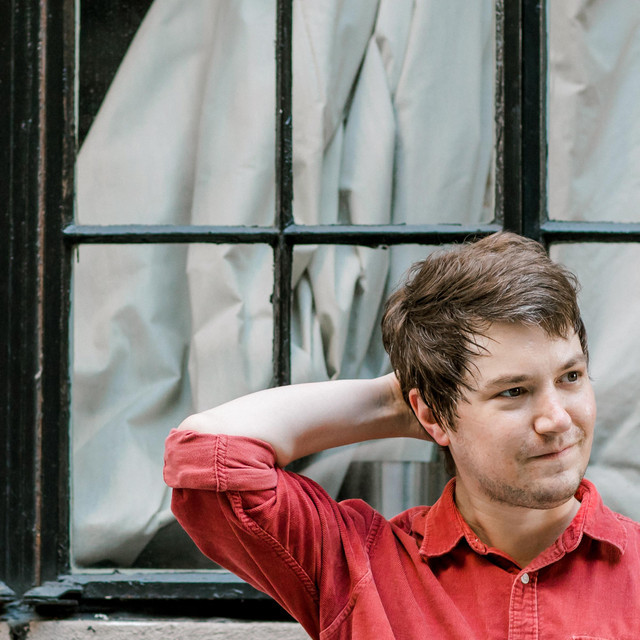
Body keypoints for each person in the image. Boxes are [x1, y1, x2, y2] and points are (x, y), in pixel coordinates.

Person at [163, 232, 640, 638]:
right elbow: (206, 455)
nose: (557, 419)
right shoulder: (361, 565)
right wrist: (391, 403)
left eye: (571, 377)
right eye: (513, 391)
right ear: (431, 415)